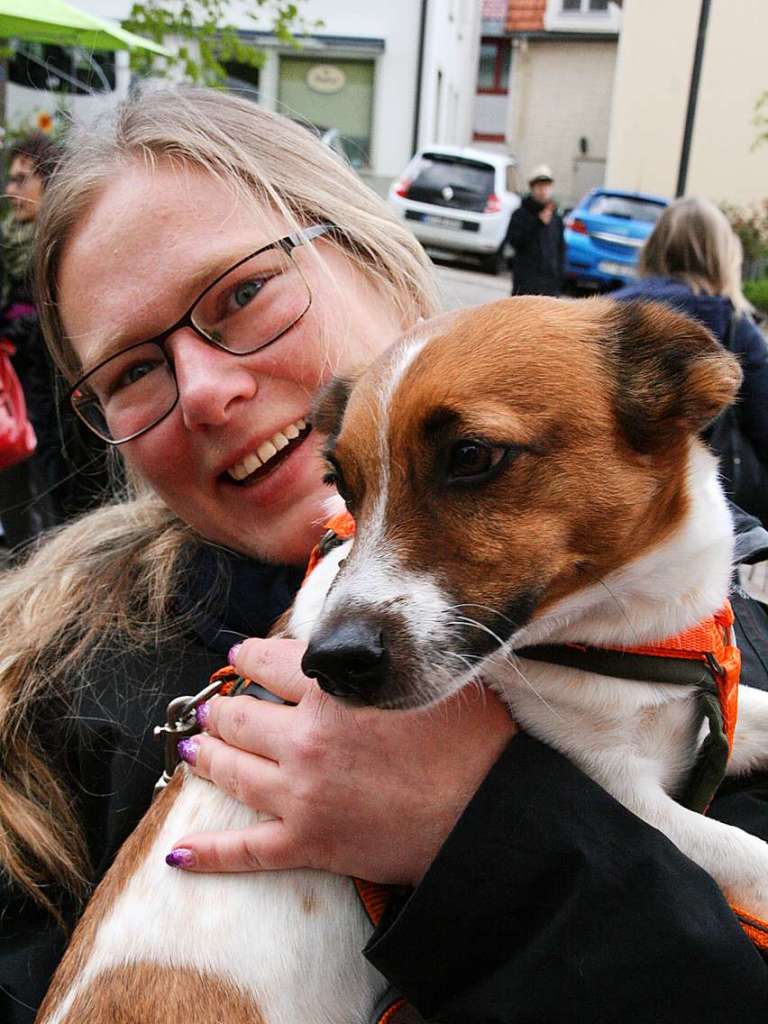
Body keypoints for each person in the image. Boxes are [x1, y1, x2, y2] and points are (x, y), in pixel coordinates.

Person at [1, 89, 767, 1024]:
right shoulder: (42, 712)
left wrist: (491, 837)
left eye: (242, 295)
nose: (205, 393)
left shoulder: (713, 637)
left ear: (378, 257)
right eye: (130, 371)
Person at [613, 197, 768, 528]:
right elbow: (762, 418)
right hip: (699, 497)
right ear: (722, 256)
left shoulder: (611, 312)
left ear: (655, 246)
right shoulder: (734, 324)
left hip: (616, 494)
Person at [0, 133, 111, 554]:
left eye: (21, 180)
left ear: (49, 183)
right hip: (23, 390)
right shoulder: (11, 241)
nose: (11, 191)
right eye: (10, 180)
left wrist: (18, 329)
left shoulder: (65, 245)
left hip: (65, 393)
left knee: (67, 489)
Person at [506, 163, 565, 297]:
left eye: (546, 186)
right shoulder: (521, 214)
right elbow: (515, 241)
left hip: (550, 285)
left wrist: (560, 276)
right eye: (539, 186)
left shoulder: (556, 218)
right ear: (532, 188)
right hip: (526, 283)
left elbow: (560, 249)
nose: (543, 190)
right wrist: (537, 223)